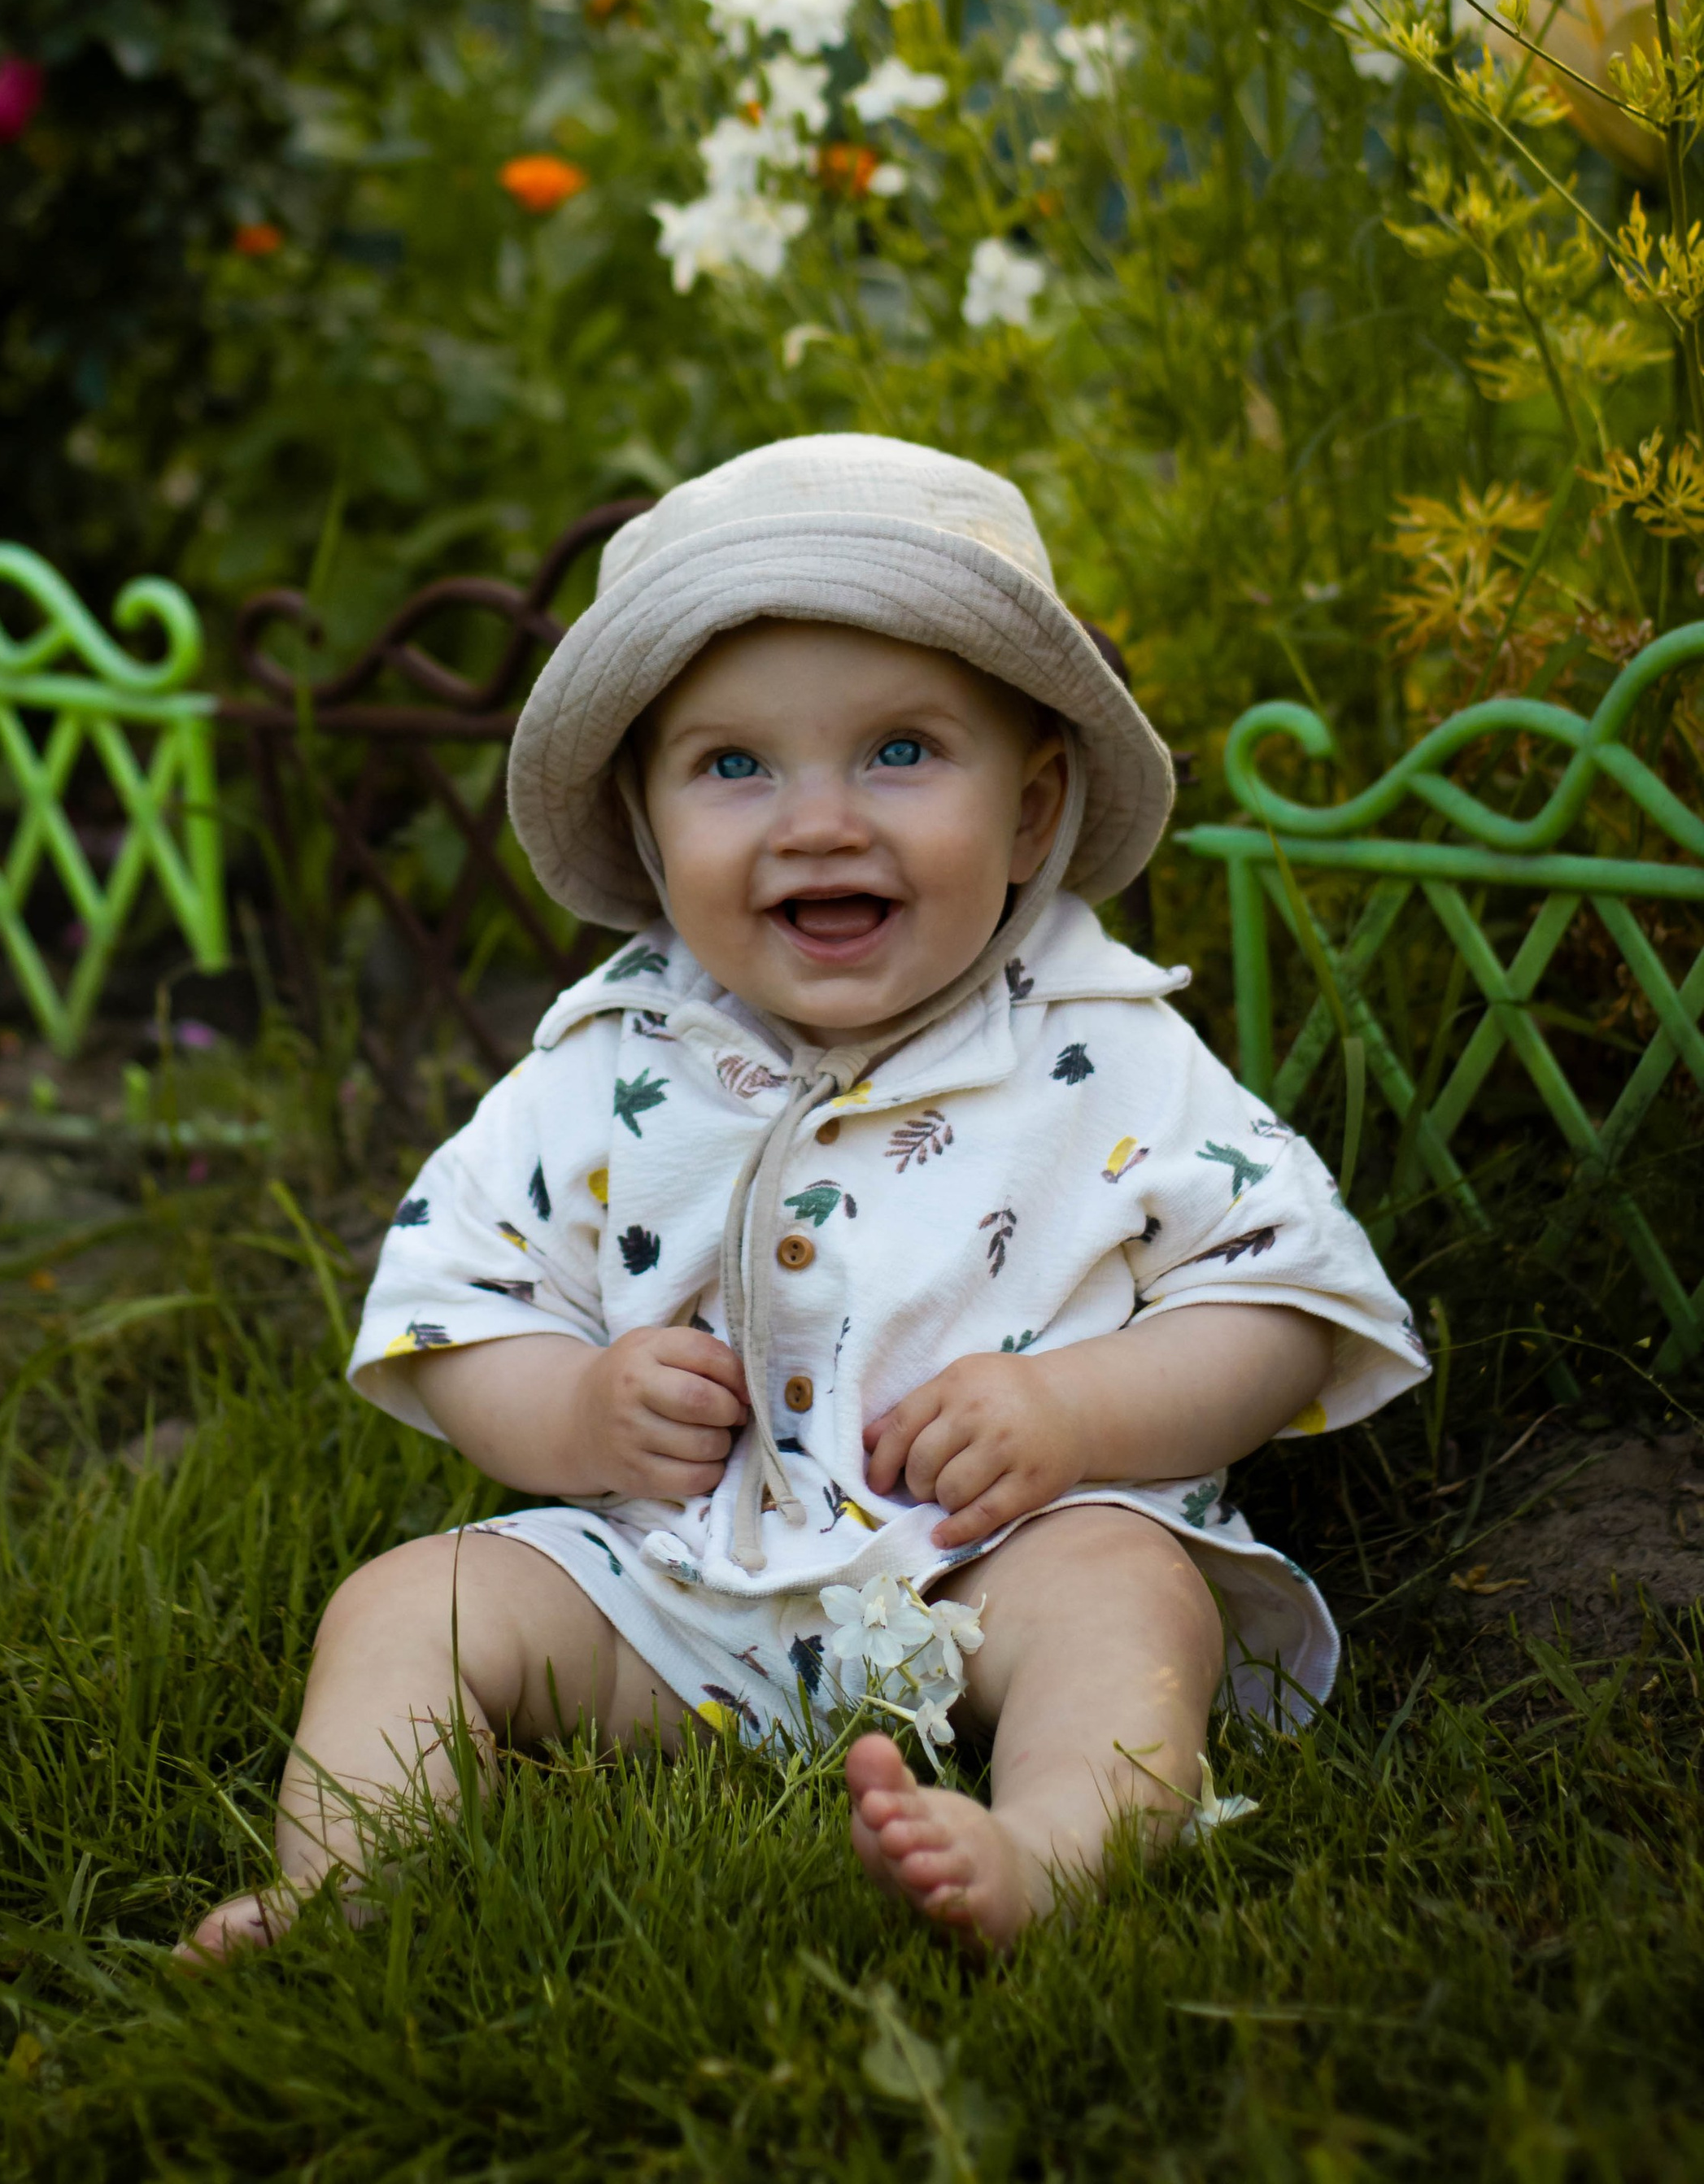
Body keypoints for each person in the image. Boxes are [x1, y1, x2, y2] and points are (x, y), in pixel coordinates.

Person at [184, 436, 1425, 1959]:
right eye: (734, 765)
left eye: (902, 750)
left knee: (1130, 1598)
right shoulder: (607, 1060)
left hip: (998, 1575)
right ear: (649, 827)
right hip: (678, 1591)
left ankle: (1046, 1846)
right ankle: (348, 1881)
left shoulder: (1106, 1043)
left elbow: (1282, 1299)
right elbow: (454, 1306)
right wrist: (576, 1414)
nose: (818, 820)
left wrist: (1078, 1419)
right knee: (407, 1603)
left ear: (1034, 812)